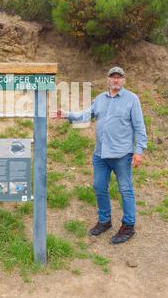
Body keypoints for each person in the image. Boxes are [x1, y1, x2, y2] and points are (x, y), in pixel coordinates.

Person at [52, 66, 147, 244]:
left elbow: (139, 127)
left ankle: (128, 226)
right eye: (113, 77)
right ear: (108, 79)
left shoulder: (132, 99)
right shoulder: (100, 99)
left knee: (125, 189)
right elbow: (86, 115)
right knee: (98, 186)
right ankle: (104, 221)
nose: (116, 80)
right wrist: (66, 115)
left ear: (123, 80)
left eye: (119, 77)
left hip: (121, 155)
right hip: (100, 154)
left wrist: (139, 151)